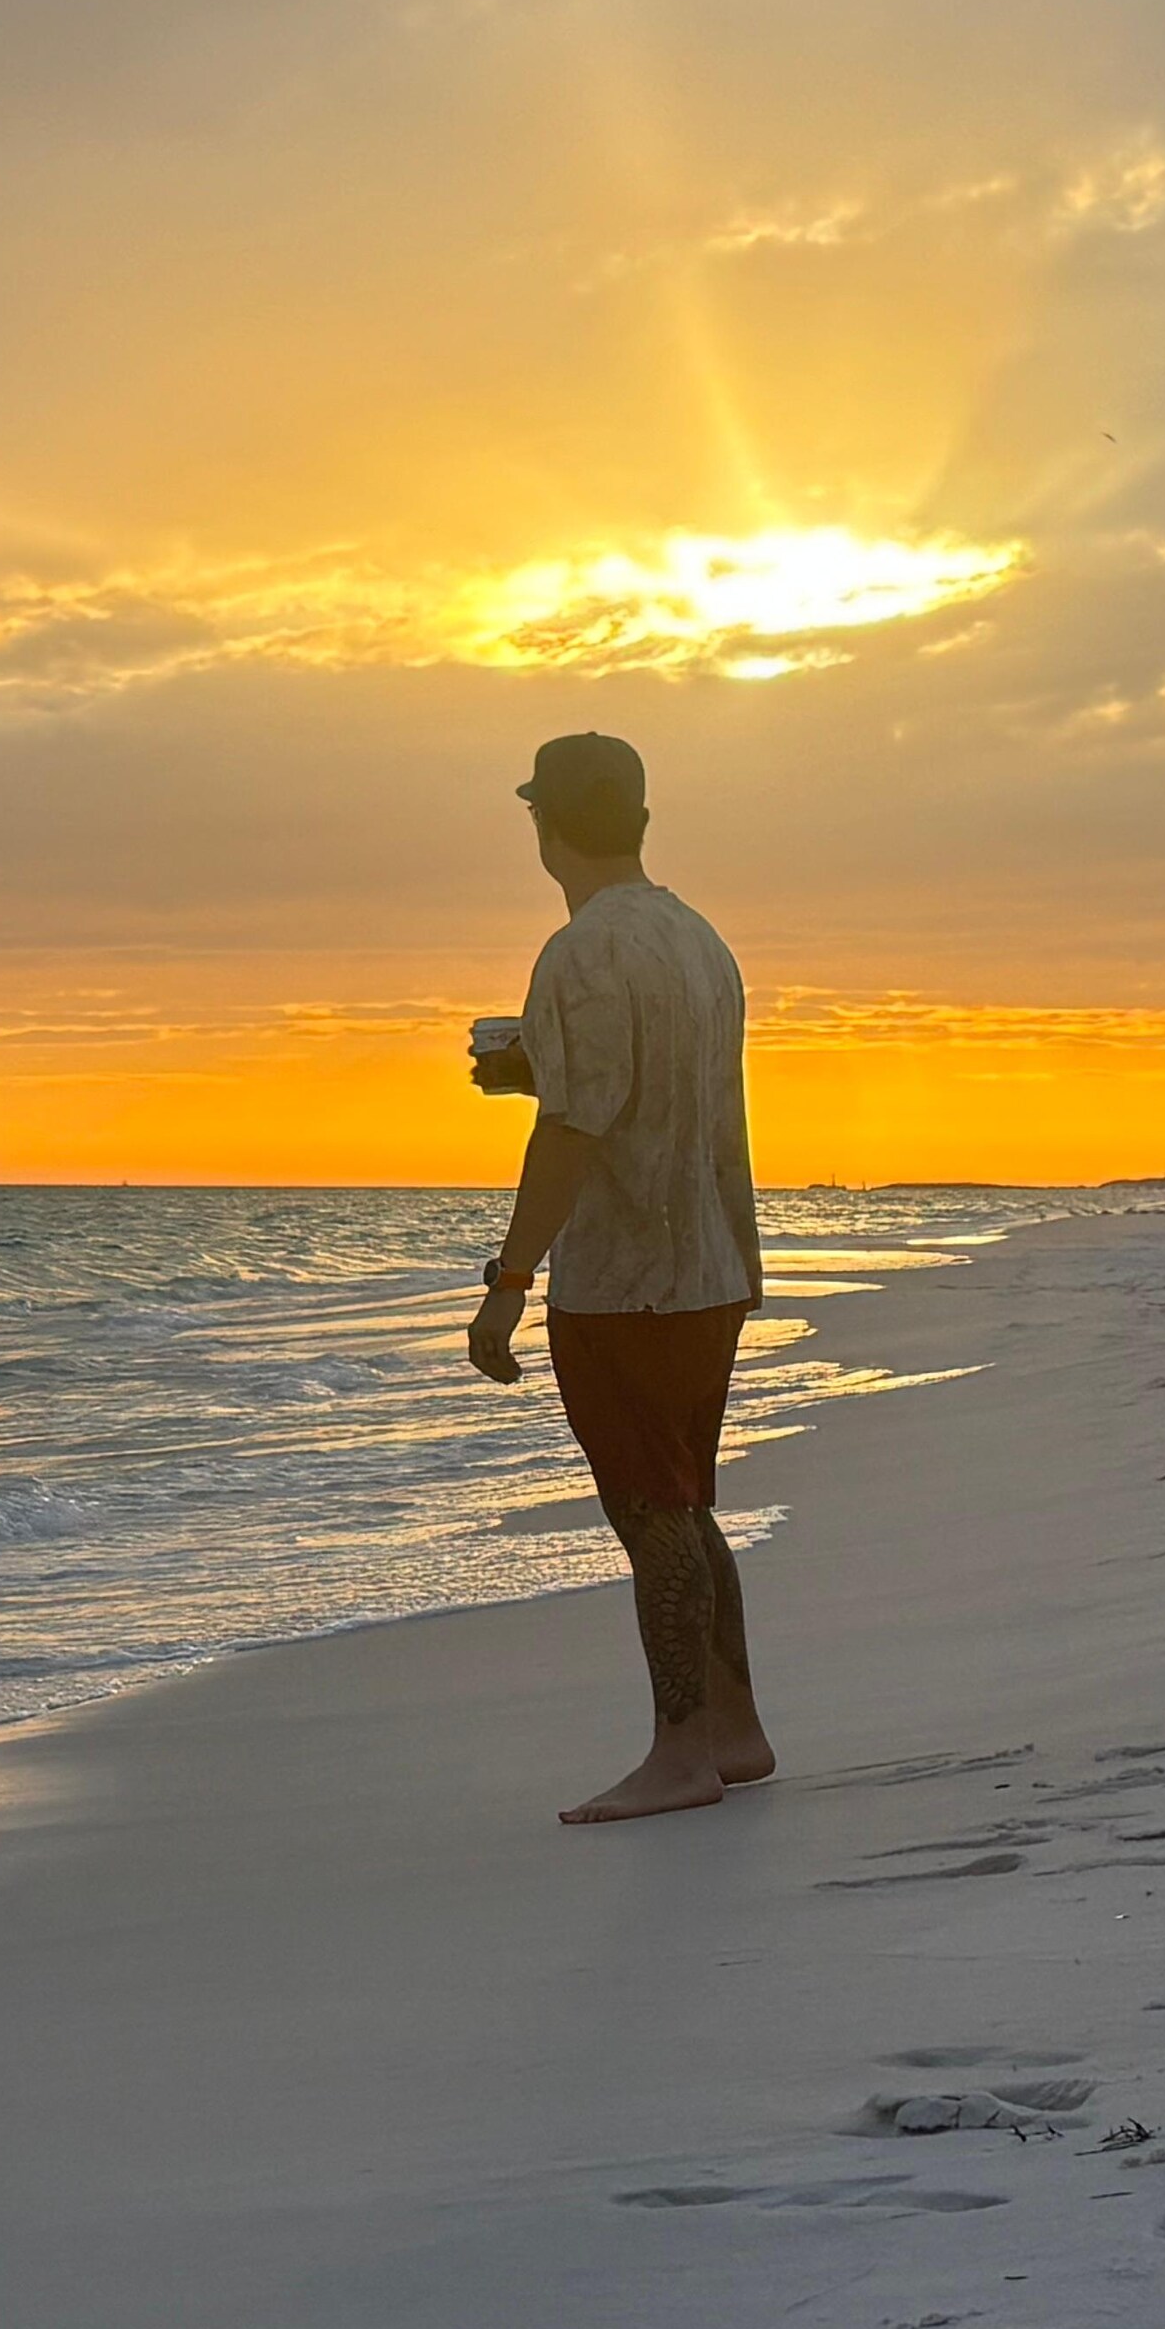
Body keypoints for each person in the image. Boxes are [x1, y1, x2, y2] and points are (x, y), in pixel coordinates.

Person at [460, 731, 770, 1824]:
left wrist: (507, 1278)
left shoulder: (584, 950)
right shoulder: (693, 937)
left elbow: (573, 1128)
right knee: (685, 1503)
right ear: (634, 817)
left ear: (544, 826)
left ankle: (678, 1750)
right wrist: (535, 1064)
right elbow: (635, 1086)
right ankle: (732, 1729)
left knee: (648, 1513)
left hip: (626, 1276)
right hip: (712, 1262)